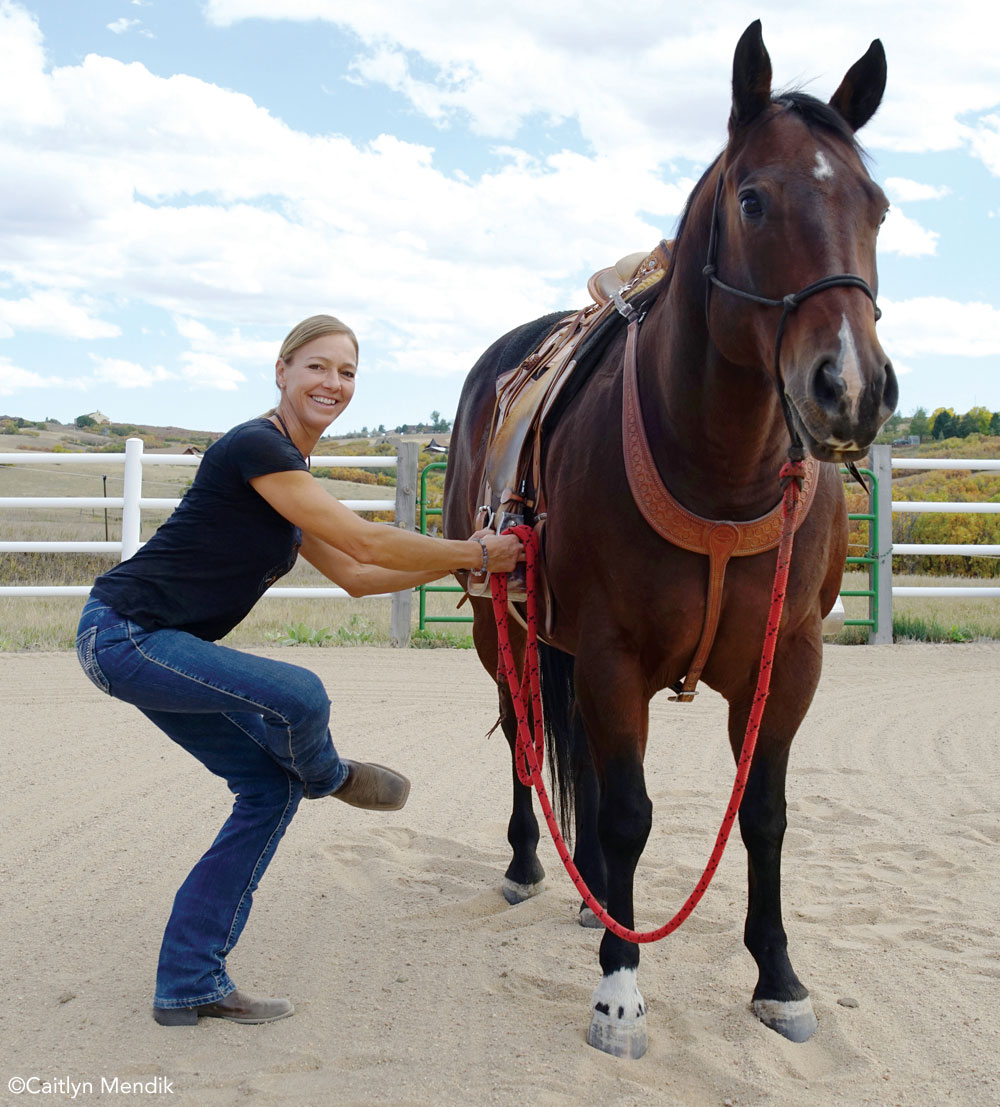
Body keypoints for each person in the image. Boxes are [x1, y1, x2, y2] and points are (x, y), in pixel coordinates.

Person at [75, 314, 522, 1027]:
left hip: (163, 650)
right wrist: (475, 552)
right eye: (317, 366)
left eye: (347, 372)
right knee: (302, 695)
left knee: (265, 789)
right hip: (126, 634)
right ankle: (331, 776)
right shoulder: (257, 447)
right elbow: (363, 535)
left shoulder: (290, 474)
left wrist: (477, 570)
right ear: (281, 370)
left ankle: (189, 979)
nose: (333, 383)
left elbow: (356, 572)